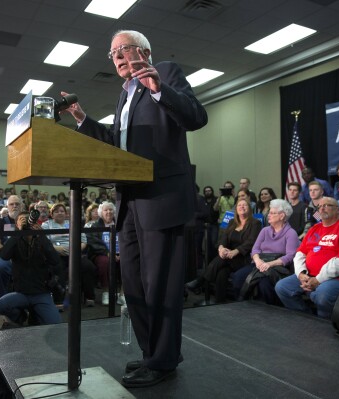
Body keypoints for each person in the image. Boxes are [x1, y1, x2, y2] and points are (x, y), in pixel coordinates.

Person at [61, 29, 207, 387]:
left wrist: (159, 88)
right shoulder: (123, 98)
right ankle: (150, 355)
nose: (118, 58)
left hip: (161, 199)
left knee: (160, 285)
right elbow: (117, 144)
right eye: (113, 54)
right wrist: (81, 118)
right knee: (135, 286)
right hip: (129, 201)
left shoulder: (166, 72)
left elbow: (196, 116)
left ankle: (164, 360)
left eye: (123, 50)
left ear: (143, 51)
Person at [275, 197, 339, 318]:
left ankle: (326, 323)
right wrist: (301, 274)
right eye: (320, 206)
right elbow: (300, 253)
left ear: (337, 210)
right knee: (282, 287)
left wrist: (318, 280)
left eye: (327, 205)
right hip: (310, 276)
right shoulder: (314, 229)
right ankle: (306, 317)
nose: (322, 208)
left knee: (322, 294)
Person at [185, 199, 261, 303]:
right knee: (222, 271)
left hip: (244, 258)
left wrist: (236, 251)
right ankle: (219, 301)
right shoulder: (232, 222)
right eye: (239, 205)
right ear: (236, 209)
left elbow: (251, 242)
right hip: (229, 256)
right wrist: (221, 248)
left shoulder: (255, 223)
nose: (242, 207)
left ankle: (200, 281)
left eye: (245, 205)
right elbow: (223, 238)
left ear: (250, 209)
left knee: (221, 260)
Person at [0, 212, 62, 328]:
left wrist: (42, 235)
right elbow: (4, 255)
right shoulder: (16, 241)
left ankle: (35, 314)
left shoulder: (41, 241)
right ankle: (21, 316)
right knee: (0, 306)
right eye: (22, 220)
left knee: (56, 324)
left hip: (41, 293)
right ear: (17, 224)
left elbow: (55, 260)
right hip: (21, 293)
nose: (26, 223)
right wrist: (18, 232)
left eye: (28, 220)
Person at [231, 199, 299, 304]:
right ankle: (242, 307)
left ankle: (269, 313)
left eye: (272, 213)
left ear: (282, 216)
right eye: (269, 212)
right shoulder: (265, 230)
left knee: (264, 284)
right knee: (238, 277)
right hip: (259, 264)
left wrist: (270, 264)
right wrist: (258, 261)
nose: (268, 215)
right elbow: (255, 249)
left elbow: (290, 256)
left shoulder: (291, 233)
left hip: (277, 267)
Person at [42, 204, 96, 306]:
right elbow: (45, 243)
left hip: (74, 254)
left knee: (88, 266)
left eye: (62, 211)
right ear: (52, 214)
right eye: (56, 211)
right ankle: (59, 301)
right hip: (56, 255)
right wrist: (58, 249)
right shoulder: (46, 225)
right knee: (57, 269)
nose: (60, 213)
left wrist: (75, 250)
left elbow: (83, 241)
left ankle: (90, 297)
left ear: (66, 214)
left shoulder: (73, 223)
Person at [85, 201, 121, 305]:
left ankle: (123, 294)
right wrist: (109, 253)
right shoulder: (95, 226)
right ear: (101, 213)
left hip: (120, 253)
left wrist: (122, 253)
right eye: (106, 210)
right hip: (102, 254)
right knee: (104, 262)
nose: (108, 212)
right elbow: (93, 242)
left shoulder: (119, 224)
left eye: (111, 210)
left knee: (128, 261)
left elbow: (126, 239)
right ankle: (106, 292)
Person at [0, 195, 21, 300]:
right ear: (7, 207)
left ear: (22, 206)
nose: (14, 206)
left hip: (26, 255)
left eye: (17, 204)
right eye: (11, 204)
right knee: (0, 267)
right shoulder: (1, 222)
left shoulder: (27, 221)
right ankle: (2, 300)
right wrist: (5, 254)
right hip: (8, 256)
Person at [202, 186, 219, 264]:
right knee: (206, 244)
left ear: (212, 191)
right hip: (205, 225)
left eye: (209, 191)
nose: (208, 192)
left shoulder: (216, 199)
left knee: (214, 242)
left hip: (214, 224)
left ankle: (214, 260)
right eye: (206, 191)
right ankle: (208, 262)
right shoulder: (202, 201)